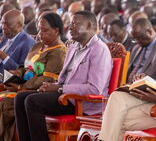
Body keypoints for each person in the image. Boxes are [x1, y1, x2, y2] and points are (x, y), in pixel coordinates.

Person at [14, 11, 112, 141]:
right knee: (20, 97)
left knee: (32, 102)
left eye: (75, 24)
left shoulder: (99, 50)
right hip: (65, 96)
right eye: (70, 24)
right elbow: (65, 79)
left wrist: (60, 89)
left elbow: (94, 89)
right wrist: (51, 86)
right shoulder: (73, 46)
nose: (70, 28)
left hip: (82, 103)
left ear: (89, 26)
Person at [0, 12, 66, 141]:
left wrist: (20, 86)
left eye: (45, 30)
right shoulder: (38, 46)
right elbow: (26, 67)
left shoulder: (59, 51)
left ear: (56, 31)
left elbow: (47, 78)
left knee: (4, 102)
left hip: (36, 91)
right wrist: (16, 74)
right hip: (21, 86)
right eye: (39, 30)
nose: (40, 34)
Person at [127, 18, 156, 83]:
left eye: (140, 38)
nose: (138, 42)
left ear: (149, 31)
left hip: (146, 87)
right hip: (127, 85)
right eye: (135, 39)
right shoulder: (136, 48)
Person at [0, 9, 35, 78]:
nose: (3, 27)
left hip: (8, 84)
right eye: (2, 23)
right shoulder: (6, 37)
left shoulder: (27, 43)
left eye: (7, 24)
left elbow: (23, 72)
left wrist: (4, 57)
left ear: (20, 25)